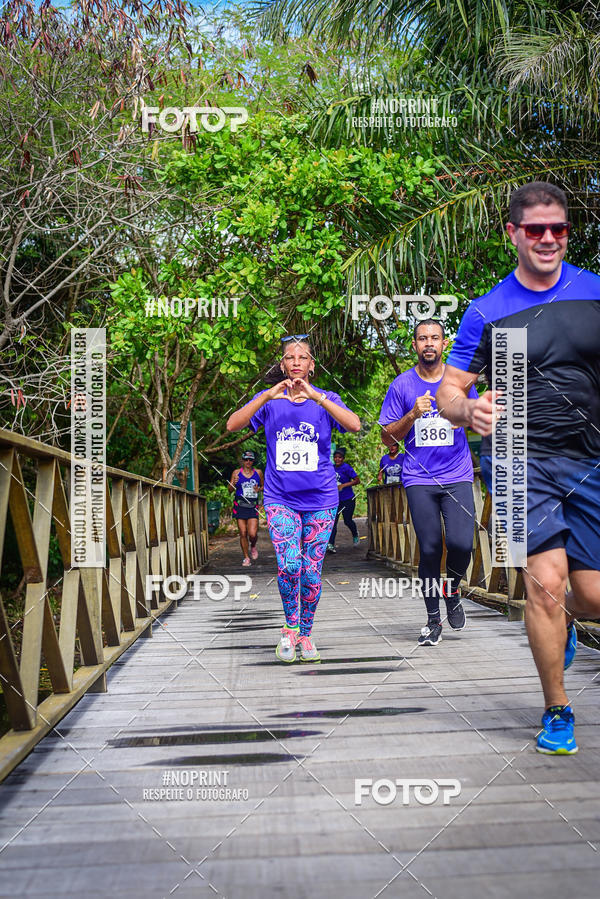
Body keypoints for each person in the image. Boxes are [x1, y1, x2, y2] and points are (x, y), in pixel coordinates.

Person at [436, 181, 600, 755]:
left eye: (559, 228)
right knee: (544, 584)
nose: (549, 238)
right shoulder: (487, 310)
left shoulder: (594, 292)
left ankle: (565, 623)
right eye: (536, 229)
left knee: (592, 594)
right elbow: (448, 393)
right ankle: (558, 709)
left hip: (590, 458)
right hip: (515, 459)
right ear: (513, 234)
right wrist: (468, 409)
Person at [226, 335, 361, 662]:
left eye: (303, 357)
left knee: (311, 572)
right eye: (290, 357)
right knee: (289, 564)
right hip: (280, 498)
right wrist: (266, 395)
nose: (296, 362)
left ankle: (305, 634)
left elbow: (355, 425)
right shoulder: (269, 400)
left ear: (312, 365)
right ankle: (289, 627)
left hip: (322, 499)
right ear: (283, 364)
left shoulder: (326, 399)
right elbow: (232, 425)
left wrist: (317, 397)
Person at [379, 319, 478, 646]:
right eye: (422, 338)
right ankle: (433, 619)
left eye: (435, 337)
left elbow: (476, 418)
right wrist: (412, 415)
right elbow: (387, 438)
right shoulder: (402, 385)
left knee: (462, 544)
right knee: (431, 547)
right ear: (415, 345)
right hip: (419, 477)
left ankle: (452, 589)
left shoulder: (460, 379)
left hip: (457, 474)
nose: (429, 343)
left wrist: (462, 414)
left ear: (444, 343)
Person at [227, 450, 263, 567]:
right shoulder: (236, 472)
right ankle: (246, 557)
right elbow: (229, 490)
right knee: (243, 533)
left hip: (252, 506)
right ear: (242, 460)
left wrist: (259, 489)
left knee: (252, 534)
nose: (248, 461)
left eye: (250, 460)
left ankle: (253, 545)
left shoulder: (258, 472)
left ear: (253, 461)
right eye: (246, 459)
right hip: (240, 505)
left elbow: (264, 486)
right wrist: (233, 483)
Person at [327, 447, 360, 553]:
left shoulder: (346, 468)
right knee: (333, 522)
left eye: (340, 457)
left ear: (343, 459)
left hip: (348, 499)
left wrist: (344, 485)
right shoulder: (331, 468)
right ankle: (331, 544)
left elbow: (357, 480)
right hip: (335, 501)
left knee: (347, 520)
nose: (337, 459)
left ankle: (355, 534)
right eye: (335, 457)